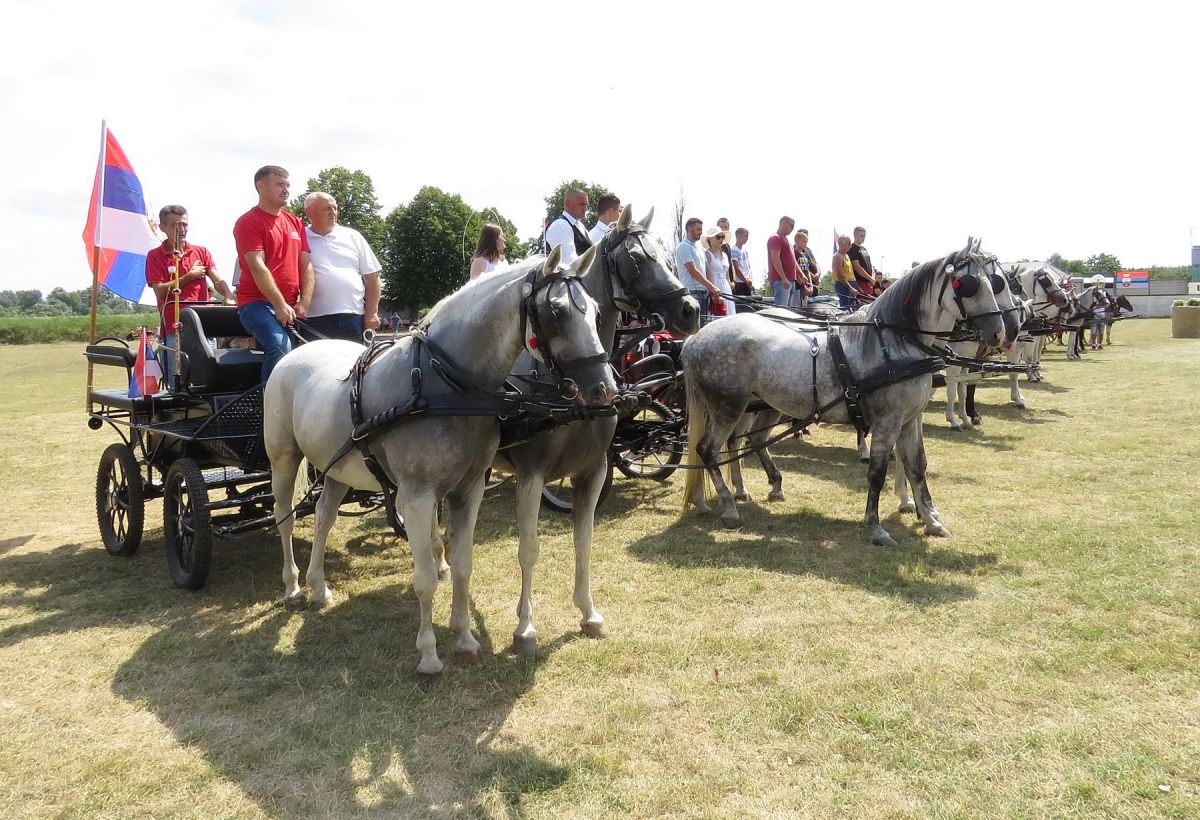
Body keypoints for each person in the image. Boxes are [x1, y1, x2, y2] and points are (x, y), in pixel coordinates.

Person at [233, 165, 314, 383]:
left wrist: (303, 303)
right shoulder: (248, 222)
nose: (286, 189)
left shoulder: (295, 222)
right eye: (279, 184)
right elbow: (257, 266)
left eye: (287, 185)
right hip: (256, 303)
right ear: (261, 186)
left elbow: (305, 264)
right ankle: (268, 409)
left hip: (289, 307)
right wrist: (279, 305)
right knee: (280, 348)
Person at [144, 204, 234, 388]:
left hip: (204, 326)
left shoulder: (201, 252)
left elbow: (216, 278)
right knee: (177, 382)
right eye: (175, 225)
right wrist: (189, 276)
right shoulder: (155, 256)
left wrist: (227, 294)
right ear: (162, 227)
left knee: (209, 377)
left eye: (184, 224)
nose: (182, 229)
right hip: (174, 329)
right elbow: (160, 290)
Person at [302, 192, 383, 343]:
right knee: (318, 365)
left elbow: (373, 278)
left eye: (335, 208)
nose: (333, 213)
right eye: (327, 208)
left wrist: (372, 313)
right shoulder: (299, 238)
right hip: (313, 319)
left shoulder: (353, 236)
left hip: (352, 317)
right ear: (309, 212)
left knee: (354, 364)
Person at [674, 217, 720, 315]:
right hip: (691, 292)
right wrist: (711, 287)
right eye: (698, 229)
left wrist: (711, 289)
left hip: (703, 292)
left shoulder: (699, 248)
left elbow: (708, 270)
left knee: (703, 326)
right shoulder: (684, 246)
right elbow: (693, 271)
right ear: (690, 229)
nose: (701, 232)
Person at [544, 187, 592, 263]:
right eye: (582, 204)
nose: (585, 208)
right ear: (567, 204)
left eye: (586, 205)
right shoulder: (560, 225)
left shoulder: (581, 227)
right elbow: (569, 262)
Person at [702, 226, 736, 317]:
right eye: (718, 237)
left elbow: (727, 273)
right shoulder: (707, 254)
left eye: (722, 237)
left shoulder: (724, 254)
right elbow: (707, 275)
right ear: (710, 239)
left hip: (726, 287)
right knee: (716, 314)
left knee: (729, 313)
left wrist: (730, 284)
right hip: (715, 285)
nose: (720, 239)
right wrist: (713, 292)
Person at [766, 215, 800, 306]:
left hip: (791, 280)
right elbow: (775, 259)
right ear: (783, 223)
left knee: (789, 312)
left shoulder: (786, 240)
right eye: (791, 225)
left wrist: (800, 275)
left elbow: (793, 260)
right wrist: (783, 278)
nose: (792, 228)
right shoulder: (776, 238)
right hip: (781, 280)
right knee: (782, 311)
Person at [832, 234, 867, 308]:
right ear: (841, 244)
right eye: (848, 243)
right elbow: (840, 276)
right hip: (843, 286)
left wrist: (858, 289)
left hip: (851, 284)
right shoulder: (838, 257)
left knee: (853, 308)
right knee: (846, 309)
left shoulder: (847, 256)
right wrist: (851, 288)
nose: (850, 246)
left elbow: (851, 275)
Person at [793, 228, 819, 306]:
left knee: (804, 308)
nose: (805, 244)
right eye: (803, 241)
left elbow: (807, 271)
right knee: (796, 308)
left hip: (807, 286)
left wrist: (810, 286)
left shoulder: (804, 255)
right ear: (796, 241)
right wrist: (804, 287)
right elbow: (795, 272)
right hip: (797, 287)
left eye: (806, 242)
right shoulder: (794, 254)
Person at [849, 226, 878, 296]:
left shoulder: (864, 249)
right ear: (855, 235)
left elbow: (870, 266)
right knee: (862, 304)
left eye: (864, 236)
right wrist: (870, 279)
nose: (863, 238)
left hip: (869, 284)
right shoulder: (852, 248)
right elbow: (857, 267)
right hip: (859, 283)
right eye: (861, 236)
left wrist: (871, 279)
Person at [729, 227, 754, 305]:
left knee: (749, 306)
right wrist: (746, 281)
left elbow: (748, 266)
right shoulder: (734, 250)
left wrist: (750, 280)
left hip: (747, 282)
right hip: (740, 283)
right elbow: (736, 268)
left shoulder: (744, 250)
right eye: (745, 236)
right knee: (741, 307)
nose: (747, 238)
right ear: (739, 236)